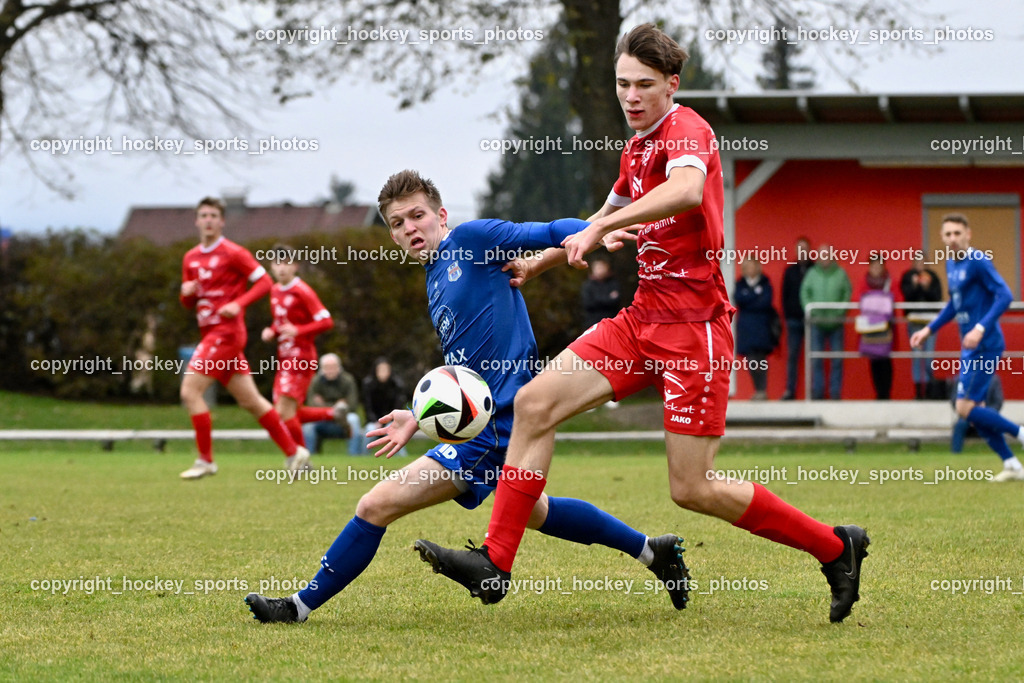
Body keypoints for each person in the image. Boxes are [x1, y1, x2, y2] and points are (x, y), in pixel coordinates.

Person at [414, 25, 869, 625]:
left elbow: (685, 190)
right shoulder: (634, 149)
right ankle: (496, 564)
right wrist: (543, 260)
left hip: (694, 332)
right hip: (640, 320)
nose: (631, 96)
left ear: (671, 85)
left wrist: (602, 229)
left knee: (693, 489)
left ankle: (836, 547)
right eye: (623, 84)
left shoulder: (687, 131)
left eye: (644, 86)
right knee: (533, 404)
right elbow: (604, 213)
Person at [243, 170, 689, 624]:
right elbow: (464, 373)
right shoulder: (435, 278)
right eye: (397, 224)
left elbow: (547, 231)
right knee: (536, 511)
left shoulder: (474, 241)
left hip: (496, 425)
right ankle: (653, 552)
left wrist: (593, 232)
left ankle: (297, 607)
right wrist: (419, 416)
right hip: (484, 422)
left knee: (375, 505)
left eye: (417, 216)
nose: (409, 228)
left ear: (441, 215)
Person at [178, 197, 309, 479]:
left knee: (189, 391)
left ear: (222, 221)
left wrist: (239, 304)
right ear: (197, 221)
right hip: (212, 335)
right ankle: (294, 452)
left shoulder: (233, 252)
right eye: (204, 215)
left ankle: (205, 460)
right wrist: (186, 294)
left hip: (226, 333)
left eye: (214, 215)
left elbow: (264, 281)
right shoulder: (190, 258)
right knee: (252, 401)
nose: (209, 220)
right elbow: (189, 303)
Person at [910, 213, 1024, 482]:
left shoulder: (978, 261)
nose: (953, 239)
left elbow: (1005, 295)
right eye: (947, 234)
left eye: (957, 234)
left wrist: (980, 327)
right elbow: (954, 304)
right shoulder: (951, 263)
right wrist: (928, 329)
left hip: (985, 343)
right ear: (942, 238)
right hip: (971, 347)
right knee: (976, 412)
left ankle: (1020, 435)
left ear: (968, 234)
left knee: (963, 407)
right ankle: (1012, 465)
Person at [260, 245, 334, 449]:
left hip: (301, 358)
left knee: (283, 411)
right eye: (277, 263)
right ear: (271, 267)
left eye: (286, 263)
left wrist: (298, 331)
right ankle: (332, 413)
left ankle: (298, 457)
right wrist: (272, 331)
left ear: (295, 266)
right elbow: (281, 322)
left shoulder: (302, 291)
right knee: (287, 412)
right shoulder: (275, 290)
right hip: (284, 358)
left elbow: (326, 321)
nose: (282, 268)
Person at [800, 244, 852, 400]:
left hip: (836, 323)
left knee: (837, 360)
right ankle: (818, 393)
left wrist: (840, 312)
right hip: (816, 323)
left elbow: (847, 293)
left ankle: (835, 393)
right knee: (816, 359)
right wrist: (811, 311)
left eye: (827, 255)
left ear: (832, 256)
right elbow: (804, 293)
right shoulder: (811, 274)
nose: (824, 258)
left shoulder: (841, 273)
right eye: (822, 255)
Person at [301, 353, 363, 455]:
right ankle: (309, 457)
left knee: (354, 419)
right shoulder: (315, 381)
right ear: (321, 369)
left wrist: (324, 405)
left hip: (343, 421)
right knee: (308, 425)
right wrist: (337, 407)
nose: (330, 370)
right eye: (327, 367)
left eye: (333, 367)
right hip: (322, 420)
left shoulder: (348, 380)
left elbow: (352, 405)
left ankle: (354, 456)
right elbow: (311, 405)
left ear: (339, 367)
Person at [733, 259, 778, 400]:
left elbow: (765, 302)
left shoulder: (765, 283)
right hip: (746, 328)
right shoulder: (740, 284)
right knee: (750, 360)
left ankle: (762, 390)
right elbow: (738, 299)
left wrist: (749, 299)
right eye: (747, 267)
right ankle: (757, 389)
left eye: (752, 267)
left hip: (762, 327)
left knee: (761, 359)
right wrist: (755, 296)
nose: (750, 270)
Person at [900, 258, 944, 399]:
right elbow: (907, 296)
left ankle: (930, 390)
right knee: (917, 356)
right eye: (916, 262)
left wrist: (926, 287)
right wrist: (914, 286)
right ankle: (918, 392)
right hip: (914, 322)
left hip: (930, 323)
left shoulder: (933, 277)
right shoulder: (907, 276)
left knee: (929, 355)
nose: (919, 265)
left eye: (922, 262)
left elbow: (937, 298)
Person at [856, 259, 895, 400]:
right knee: (873, 359)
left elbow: (897, 298)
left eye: (879, 265)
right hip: (870, 326)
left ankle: (886, 393)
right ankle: (878, 393)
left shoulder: (890, 282)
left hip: (886, 326)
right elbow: (859, 299)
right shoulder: (864, 282)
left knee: (885, 359)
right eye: (873, 265)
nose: (876, 268)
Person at [781, 237, 813, 400]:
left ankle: (814, 392)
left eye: (805, 248)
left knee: (814, 356)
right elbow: (784, 296)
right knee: (792, 356)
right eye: (799, 249)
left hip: (812, 321)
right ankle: (790, 390)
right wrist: (787, 317)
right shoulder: (790, 271)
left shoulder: (815, 270)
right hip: (794, 320)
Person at [361, 357, 406, 453]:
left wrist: (388, 420)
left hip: (391, 421)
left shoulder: (397, 385)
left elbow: (398, 408)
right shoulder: (368, 385)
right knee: (369, 430)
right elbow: (367, 407)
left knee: (395, 434)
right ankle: (362, 456)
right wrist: (375, 421)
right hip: (374, 421)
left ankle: (403, 459)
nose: (383, 373)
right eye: (380, 370)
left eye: (385, 370)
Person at [580, 257, 623, 330]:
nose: (600, 270)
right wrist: (608, 299)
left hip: (612, 322)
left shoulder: (613, 283)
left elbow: (616, 301)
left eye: (602, 267)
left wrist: (598, 299)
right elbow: (588, 304)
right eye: (598, 268)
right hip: (593, 323)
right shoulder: (588, 285)